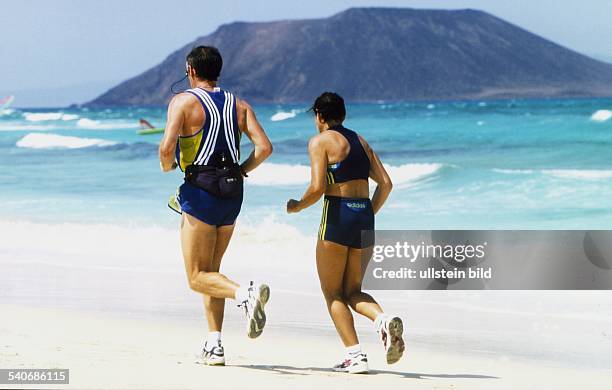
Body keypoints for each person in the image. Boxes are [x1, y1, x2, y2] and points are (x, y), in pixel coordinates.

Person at [159, 46, 273, 366]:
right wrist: (242, 170)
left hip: (200, 191)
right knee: (212, 272)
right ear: (217, 71)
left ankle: (245, 295)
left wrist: (167, 167)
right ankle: (215, 345)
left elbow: (167, 149)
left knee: (196, 277)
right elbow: (265, 148)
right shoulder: (241, 105)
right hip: (232, 193)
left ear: (191, 71)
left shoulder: (182, 102)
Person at [286, 92, 404, 374]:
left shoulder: (320, 142)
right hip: (363, 215)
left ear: (319, 116)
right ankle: (382, 320)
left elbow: (316, 188)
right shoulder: (360, 141)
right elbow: (386, 184)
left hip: (337, 215)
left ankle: (355, 356)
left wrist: (297, 206)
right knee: (354, 291)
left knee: (333, 293)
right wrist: (367, 214)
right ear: (344, 114)